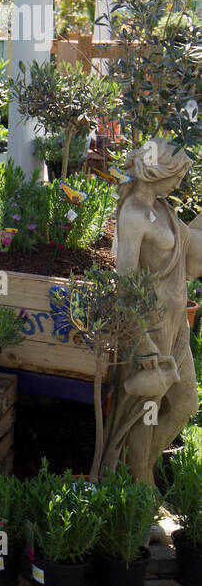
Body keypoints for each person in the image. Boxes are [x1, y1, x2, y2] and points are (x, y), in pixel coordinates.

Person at [98, 137, 202, 482]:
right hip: (150, 328)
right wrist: (141, 342)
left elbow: (191, 254)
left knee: (186, 404)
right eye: (176, 176)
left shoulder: (164, 209)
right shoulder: (133, 216)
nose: (179, 184)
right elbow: (125, 283)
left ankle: (139, 472)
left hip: (175, 326)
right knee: (146, 410)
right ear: (157, 172)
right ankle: (140, 485)